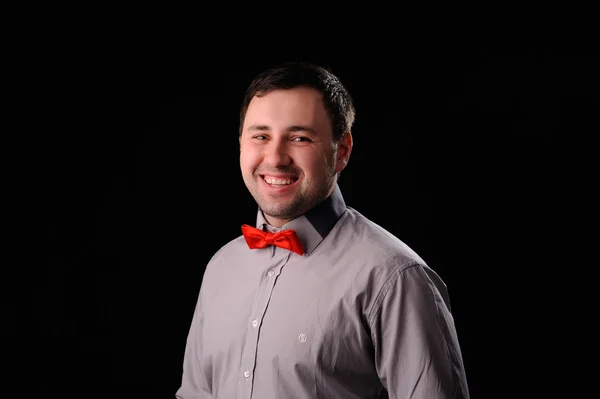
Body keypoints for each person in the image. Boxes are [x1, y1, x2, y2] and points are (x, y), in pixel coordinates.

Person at [175, 62, 470, 398]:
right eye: (261, 136)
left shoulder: (394, 277)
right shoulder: (220, 268)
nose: (275, 158)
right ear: (241, 143)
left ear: (341, 151)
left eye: (299, 138)